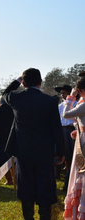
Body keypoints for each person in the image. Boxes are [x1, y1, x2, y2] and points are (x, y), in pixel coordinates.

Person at [3, 68, 64, 220]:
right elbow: (57, 129)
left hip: (23, 153)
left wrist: (17, 81)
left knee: (26, 188)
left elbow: (5, 93)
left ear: (23, 83)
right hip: (45, 153)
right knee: (45, 187)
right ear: (41, 82)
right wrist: (61, 152)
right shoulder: (50, 101)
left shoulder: (15, 97)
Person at [63, 77, 85, 219]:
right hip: (82, 139)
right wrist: (79, 129)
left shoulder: (83, 104)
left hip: (83, 145)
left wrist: (70, 98)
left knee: (82, 173)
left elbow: (66, 114)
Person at [54, 85, 76, 190]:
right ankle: (68, 176)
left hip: (73, 129)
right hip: (63, 130)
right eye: (61, 93)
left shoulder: (76, 104)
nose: (63, 95)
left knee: (75, 154)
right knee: (66, 155)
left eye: (65, 93)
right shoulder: (60, 106)